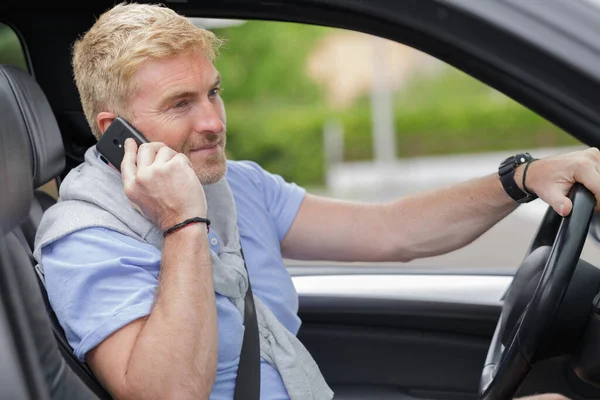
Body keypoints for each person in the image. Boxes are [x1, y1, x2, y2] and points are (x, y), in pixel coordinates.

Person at [31, 2, 597, 400]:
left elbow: (390, 232)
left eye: (214, 92)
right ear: (115, 129)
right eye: (181, 104)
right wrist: (183, 223)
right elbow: (171, 393)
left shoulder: (231, 184)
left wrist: (520, 178)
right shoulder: (85, 237)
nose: (212, 122)